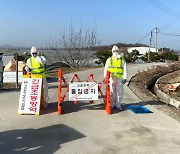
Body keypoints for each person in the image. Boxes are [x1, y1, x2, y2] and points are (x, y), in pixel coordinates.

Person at [104, 45, 127, 110]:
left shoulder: (122, 60)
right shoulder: (109, 60)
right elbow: (106, 69)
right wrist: (105, 78)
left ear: (118, 51)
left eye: (116, 51)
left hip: (119, 79)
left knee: (119, 92)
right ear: (112, 52)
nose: (115, 52)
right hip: (111, 78)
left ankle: (118, 105)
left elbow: (125, 69)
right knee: (111, 92)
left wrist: (125, 77)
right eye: (114, 51)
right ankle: (111, 105)